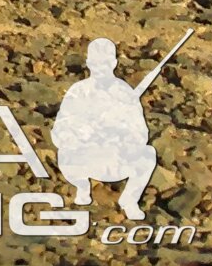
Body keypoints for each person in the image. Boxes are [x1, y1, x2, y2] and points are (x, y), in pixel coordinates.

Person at [54, 38, 159, 220]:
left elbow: (140, 134)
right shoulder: (78, 91)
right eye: (95, 63)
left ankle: (129, 200)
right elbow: (60, 129)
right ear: (88, 64)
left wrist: (120, 133)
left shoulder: (125, 93)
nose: (100, 68)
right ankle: (81, 186)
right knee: (65, 152)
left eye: (104, 63)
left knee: (147, 155)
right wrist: (80, 133)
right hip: (85, 156)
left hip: (114, 158)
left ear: (113, 63)